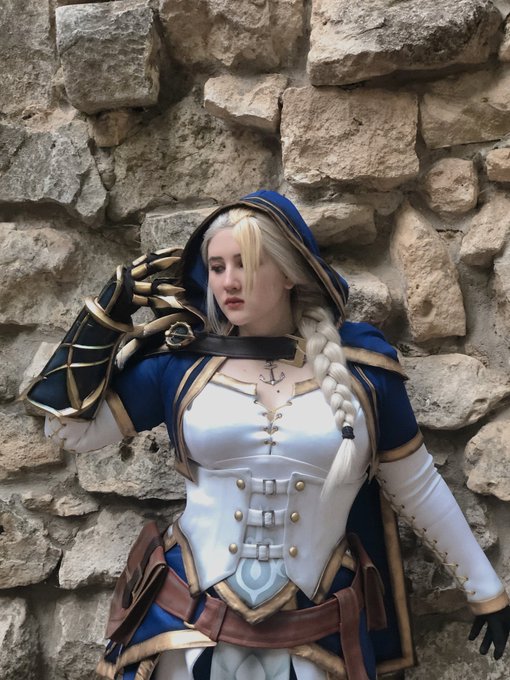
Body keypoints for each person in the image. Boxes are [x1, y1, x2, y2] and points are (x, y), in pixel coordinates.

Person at [26, 191, 510, 680]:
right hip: (186, 621)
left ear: (289, 273)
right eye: (217, 267)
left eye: (246, 263)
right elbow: (66, 431)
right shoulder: (181, 364)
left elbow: (416, 486)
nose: (228, 281)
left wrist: (485, 590)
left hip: (318, 627)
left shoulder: (365, 372)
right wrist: (104, 315)